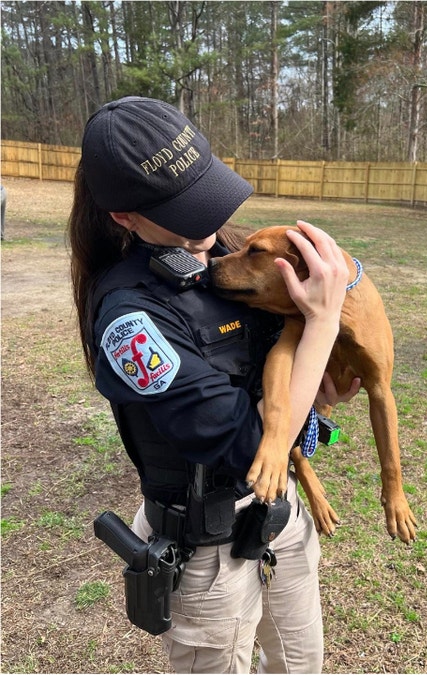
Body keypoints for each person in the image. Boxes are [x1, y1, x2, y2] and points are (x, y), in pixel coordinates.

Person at [69, 96, 358, 673]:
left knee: (302, 664)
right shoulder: (133, 322)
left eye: (207, 194)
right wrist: (325, 321)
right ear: (124, 216)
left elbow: (280, 368)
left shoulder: (226, 258)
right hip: (209, 553)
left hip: (281, 517)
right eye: (184, 209)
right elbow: (248, 444)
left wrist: (318, 388)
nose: (209, 223)